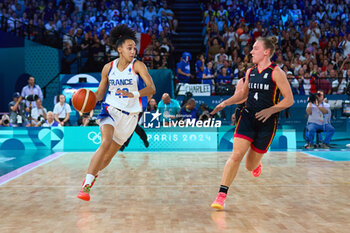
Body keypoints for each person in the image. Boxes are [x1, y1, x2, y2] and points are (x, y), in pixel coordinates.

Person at [209, 37, 294, 210]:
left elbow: (290, 100)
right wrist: (225, 103)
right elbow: (242, 95)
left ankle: (256, 163)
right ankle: (221, 195)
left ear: (266, 52)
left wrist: (271, 110)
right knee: (235, 155)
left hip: (267, 122)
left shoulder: (276, 72)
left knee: (249, 166)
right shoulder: (250, 72)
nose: (251, 51)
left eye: (255, 49)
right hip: (247, 118)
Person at [77, 24, 156, 201]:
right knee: (105, 142)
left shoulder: (138, 66)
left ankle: (92, 174)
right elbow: (99, 95)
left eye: (134, 48)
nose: (133, 51)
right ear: (119, 49)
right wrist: (85, 99)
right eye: (129, 48)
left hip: (131, 117)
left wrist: (133, 94)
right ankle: (86, 187)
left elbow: (152, 88)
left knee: (106, 160)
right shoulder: (108, 68)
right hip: (110, 109)